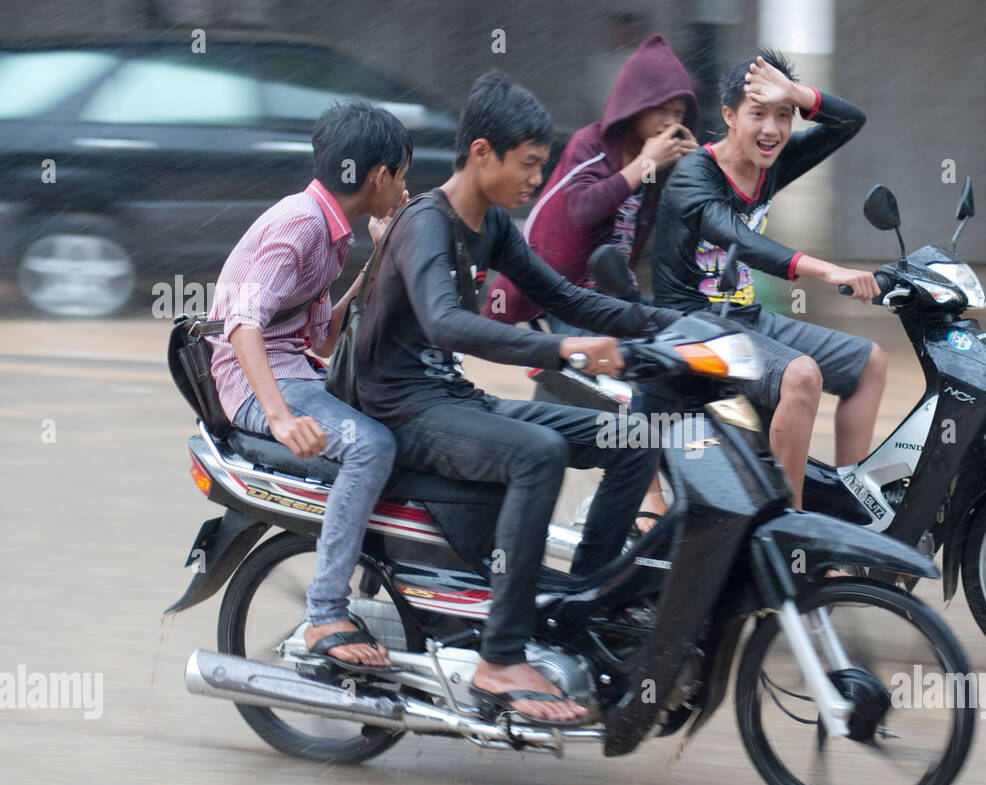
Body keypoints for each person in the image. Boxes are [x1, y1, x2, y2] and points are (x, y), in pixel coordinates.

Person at [355, 71, 684, 727]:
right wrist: (560, 350)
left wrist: (668, 325)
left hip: (450, 398)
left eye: (542, 164)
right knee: (539, 453)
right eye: (530, 164)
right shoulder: (427, 223)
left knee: (636, 437)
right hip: (404, 410)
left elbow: (564, 296)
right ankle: (500, 657)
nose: (539, 179)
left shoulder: (495, 227)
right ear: (482, 153)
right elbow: (447, 322)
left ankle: (584, 601)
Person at [207, 100, 410, 671]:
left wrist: (379, 255)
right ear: (377, 176)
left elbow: (321, 342)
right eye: (401, 176)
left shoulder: (332, 229)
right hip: (255, 384)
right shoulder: (300, 223)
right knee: (371, 445)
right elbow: (243, 323)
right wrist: (279, 417)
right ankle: (325, 611)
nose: (403, 190)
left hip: (293, 367)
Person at [653, 49, 887, 508]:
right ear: (729, 116)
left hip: (746, 319)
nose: (773, 129)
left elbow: (851, 121)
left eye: (784, 116)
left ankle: (847, 508)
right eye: (758, 114)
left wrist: (799, 94)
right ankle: (792, 526)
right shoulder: (693, 175)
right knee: (802, 376)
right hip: (691, 327)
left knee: (869, 362)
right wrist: (825, 269)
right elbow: (740, 238)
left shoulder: (771, 162)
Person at [484, 34, 699, 532]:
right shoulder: (593, 144)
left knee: (583, 399)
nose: (671, 121)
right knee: (627, 386)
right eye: (661, 109)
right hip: (561, 287)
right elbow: (582, 209)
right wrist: (644, 164)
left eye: (679, 111)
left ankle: (517, 508)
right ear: (635, 106)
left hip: (608, 292)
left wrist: (692, 165)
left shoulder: (662, 163)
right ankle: (646, 503)